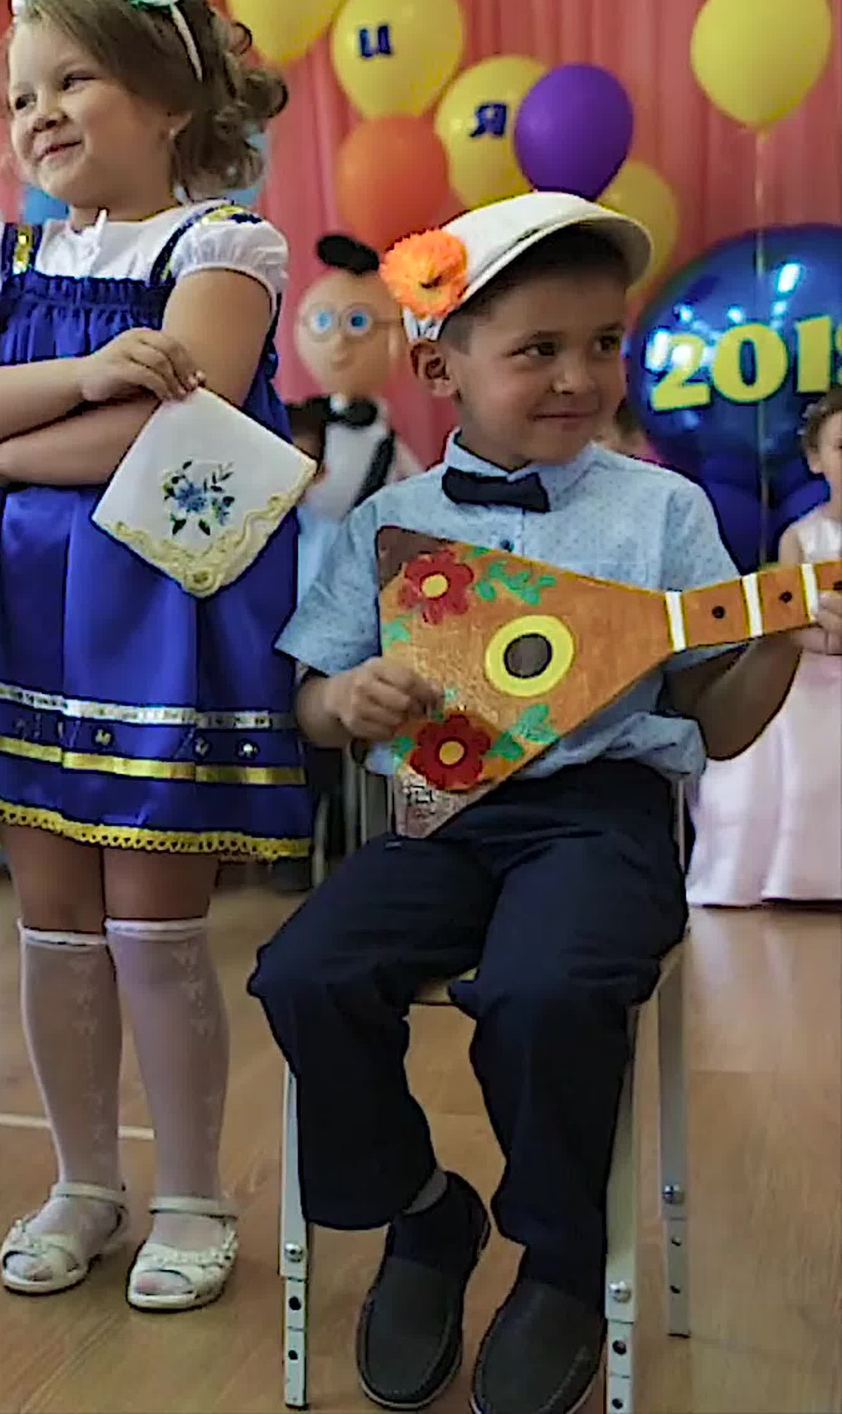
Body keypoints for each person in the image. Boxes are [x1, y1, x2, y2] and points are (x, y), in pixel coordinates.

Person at [252, 191, 841, 1414]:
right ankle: (425, 1216)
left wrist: (781, 637)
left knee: (543, 990)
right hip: (441, 820)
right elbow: (310, 696)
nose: (579, 376)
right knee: (304, 970)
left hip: (604, 814)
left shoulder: (664, 512)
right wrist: (343, 700)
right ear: (440, 363)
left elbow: (719, 726)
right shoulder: (387, 523)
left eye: (601, 344)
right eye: (536, 350)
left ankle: (563, 1257)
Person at [0, 0, 296, 1312]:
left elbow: (173, 432)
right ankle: (83, 1178)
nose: (40, 113)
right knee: (52, 918)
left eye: (73, 80)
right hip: (17, 617)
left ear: (171, 96)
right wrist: (77, 378)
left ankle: (190, 1191)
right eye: (20, 94)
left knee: (153, 918)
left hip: (150, 617)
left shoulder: (225, 250)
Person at [685, 389, 842, 905]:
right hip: (814, 674)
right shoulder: (802, 537)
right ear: (816, 459)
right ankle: (801, 872)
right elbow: (791, 615)